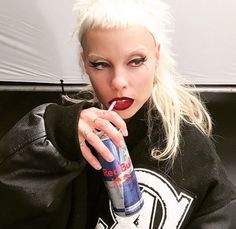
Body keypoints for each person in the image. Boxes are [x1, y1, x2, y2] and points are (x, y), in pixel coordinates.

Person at [0, 0, 235, 228]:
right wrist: (56, 135)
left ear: (157, 57)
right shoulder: (64, 136)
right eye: (100, 64)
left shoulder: (189, 147)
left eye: (135, 61)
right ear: (84, 63)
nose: (118, 82)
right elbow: (11, 207)